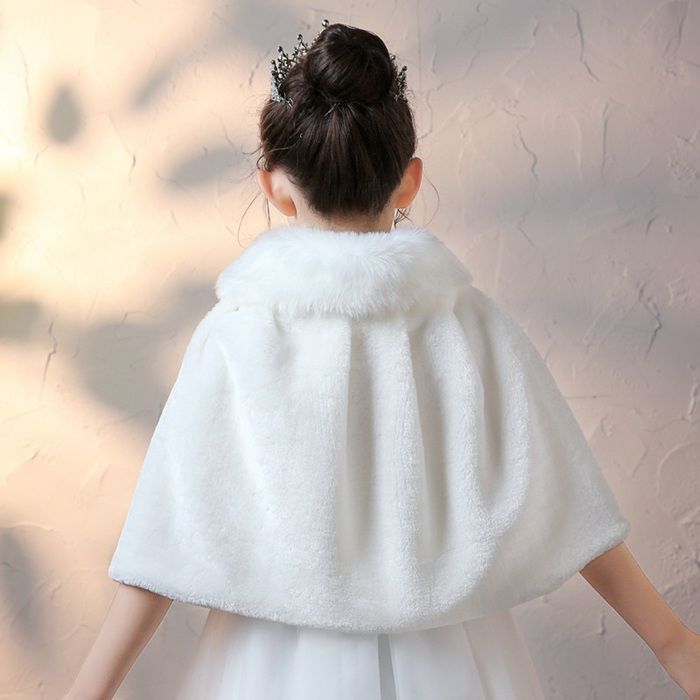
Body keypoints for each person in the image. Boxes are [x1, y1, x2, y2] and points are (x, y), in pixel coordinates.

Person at [62, 20, 700, 700]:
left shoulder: (237, 334)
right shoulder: (469, 326)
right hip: (453, 661)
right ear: (409, 181)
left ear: (274, 187)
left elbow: (165, 532)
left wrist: (87, 691)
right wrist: (674, 643)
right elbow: (568, 497)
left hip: (269, 665)